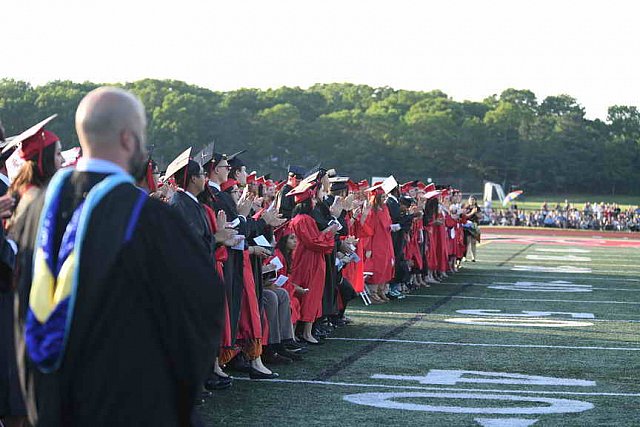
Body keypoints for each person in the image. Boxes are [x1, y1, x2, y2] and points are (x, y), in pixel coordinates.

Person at [10, 87, 223, 426]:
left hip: (47, 405)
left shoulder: (33, 210)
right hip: (126, 403)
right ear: (127, 139)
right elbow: (200, 312)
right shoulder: (149, 218)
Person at [288, 181, 338, 344]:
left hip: (305, 259)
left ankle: (299, 333)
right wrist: (330, 233)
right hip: (309, 261)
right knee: (310, 295)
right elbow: (314, 242)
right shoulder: (304, 220)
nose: (316, 202)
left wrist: (325, 232)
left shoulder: (299, 219)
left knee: (306, 295)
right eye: (313, 199)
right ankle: (306, 333)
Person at [463, 195, 482, 262]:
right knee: (467, 242)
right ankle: (464, 256)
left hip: (474, 226)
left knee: (473, 242)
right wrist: (472, 212)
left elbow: (480, 216)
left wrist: (476, 212)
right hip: (467, 226)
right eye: (471, 200)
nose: (472, 201)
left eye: (473, 200)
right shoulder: (466, 207)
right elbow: (465, 216)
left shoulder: (477, 208)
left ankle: (473, 257)